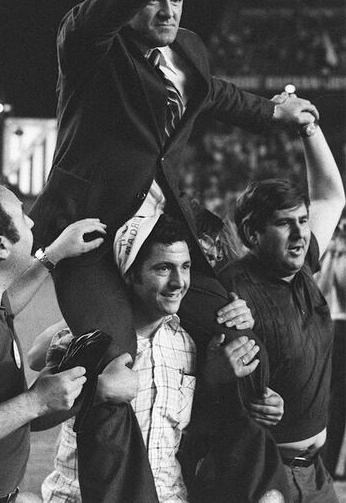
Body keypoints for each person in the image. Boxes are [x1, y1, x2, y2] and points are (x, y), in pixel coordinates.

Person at [29, 0, 319, 502]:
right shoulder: (93, 53)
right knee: (114, 374)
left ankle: (257, 488)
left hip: (161, 227)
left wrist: (275, 112)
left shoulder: (189, 51)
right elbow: (82, 23)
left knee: (238, 327)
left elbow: (216, 96)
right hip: (88, 233)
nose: (166, 10)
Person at [29, 215, 282, 502]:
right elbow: (33, 417)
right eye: (163, 268)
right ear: (130, 275)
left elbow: (195, 430)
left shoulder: (189, 343)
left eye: (185, 267)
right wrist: (95, 391)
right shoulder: (87, 338)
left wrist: (246, 394)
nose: (178, 282)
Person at [0, 173, 107, 503]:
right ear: (1, 245)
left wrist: (53, 254)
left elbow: (8, 298)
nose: (31, 220)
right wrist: (36, 401)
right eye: (22, 216)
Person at [218, 114, 345, 502]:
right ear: (253, 234)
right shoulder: (233, 287)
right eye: (284, 224)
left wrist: (309, 129)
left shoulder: (303, 265)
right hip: (263, 476)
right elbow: (206, 374)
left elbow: (331, 196)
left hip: (315, 474)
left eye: (303, 221)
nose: (300, 233)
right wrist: (244, 401)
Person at [316, 214, 346, 478]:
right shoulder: (331, 251)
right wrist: (333, 255)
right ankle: (325, 462)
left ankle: (332, 462)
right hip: (331, 325)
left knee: (340, 400)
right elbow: (321, 293)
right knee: (328, 398)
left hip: (343, 324)